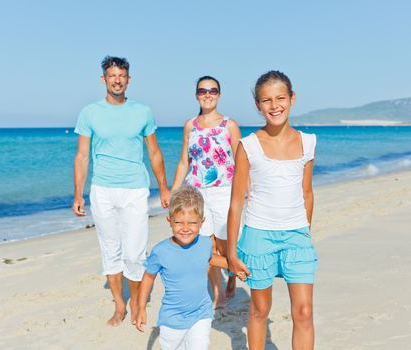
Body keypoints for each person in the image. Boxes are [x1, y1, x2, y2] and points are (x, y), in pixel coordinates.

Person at [72, 56, 170, 326]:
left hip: (135, 189)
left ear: (128, 79)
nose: (117, 80)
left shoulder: (143, 112)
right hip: (102, 190)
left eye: (122, 76)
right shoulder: (90, 112)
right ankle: (119, 306)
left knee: (135, 253)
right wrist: (78, 193)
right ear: (104, 79)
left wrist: (163, 188)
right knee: (110, 250)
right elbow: (82, 156)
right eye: (112, 76)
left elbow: (154, 152)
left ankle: (139, 304)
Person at [227, 71, 318, 349]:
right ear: (258, 105)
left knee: (303, 312)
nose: (274, 105)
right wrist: (231, 252)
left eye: (280, 98)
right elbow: (236, 202)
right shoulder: (248, 146)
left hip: (296, 237)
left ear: (292, 99)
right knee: (259, 310)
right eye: (266, 100)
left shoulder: (308, 142)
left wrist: (304, 233)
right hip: (258, 236)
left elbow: (307, 193)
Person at [135, 186, 240, 350]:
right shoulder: (160, 251)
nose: (185, 228)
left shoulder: (205, 243)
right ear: (169, 220)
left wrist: (239, 266)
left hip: (201, 314)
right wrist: (141, 307)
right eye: (178, 222)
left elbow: (215, 260)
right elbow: (148, 278)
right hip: (172, 319)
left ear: (201, 222)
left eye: (192, 223)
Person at [171, 76, 241, 308]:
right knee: (206, 244)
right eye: (203, 90)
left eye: (212, 90)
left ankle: (231, 274)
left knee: (223, 244)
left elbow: (241, 161)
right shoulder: (190, 125)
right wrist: (173, 192)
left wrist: (246, 191)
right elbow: (184, 161)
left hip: (224, 190)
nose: (208, 94)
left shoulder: (229, 125)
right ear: (197, 95)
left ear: (219, 95)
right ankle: (217, 291)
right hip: (196, 193)